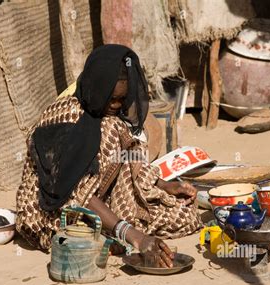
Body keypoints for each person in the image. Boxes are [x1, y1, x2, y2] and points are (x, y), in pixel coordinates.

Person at [16, 44, 202, 268]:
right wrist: (135, 236)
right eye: (111, 98)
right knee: (112, 131)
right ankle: (110, 230)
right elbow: (75, 191)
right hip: (52, 214)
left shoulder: (108, 120)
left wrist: (163, 185)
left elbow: (128, 160)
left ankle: (110, 228)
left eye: (122, 100)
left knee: (185, 215)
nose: (116, 105)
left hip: (98, 203)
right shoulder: (65, 117)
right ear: (97, 88)